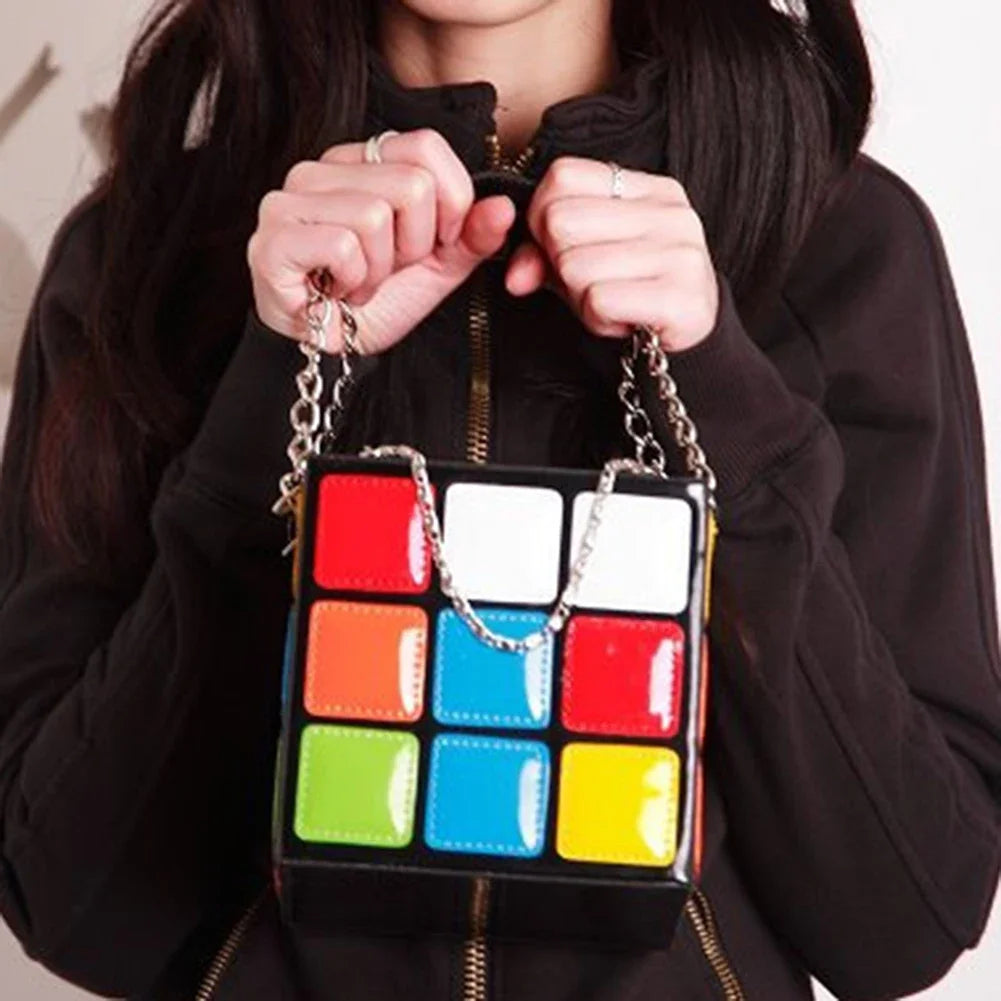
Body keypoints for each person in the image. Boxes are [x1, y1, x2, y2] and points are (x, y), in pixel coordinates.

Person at [1, 1, 999, 999]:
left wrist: (716, 391)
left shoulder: (843, 239)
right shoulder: (147, 245)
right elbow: (76, 911)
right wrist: (277, 384)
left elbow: (905, 916)